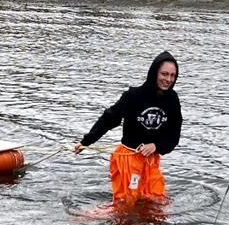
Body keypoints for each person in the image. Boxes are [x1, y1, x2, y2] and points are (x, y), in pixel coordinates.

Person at [73, 52, 182, 205]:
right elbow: (109, 119)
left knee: (158, 203)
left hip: (150, 162)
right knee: (127, 205)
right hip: (128, 160)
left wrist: (156, 146)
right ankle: (87, 218)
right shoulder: (134, 96)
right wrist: (86, 141)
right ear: (154, 72)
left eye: (172, 75)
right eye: (164, 74)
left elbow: (173, 137)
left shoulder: (172, 100)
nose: (168, 79)